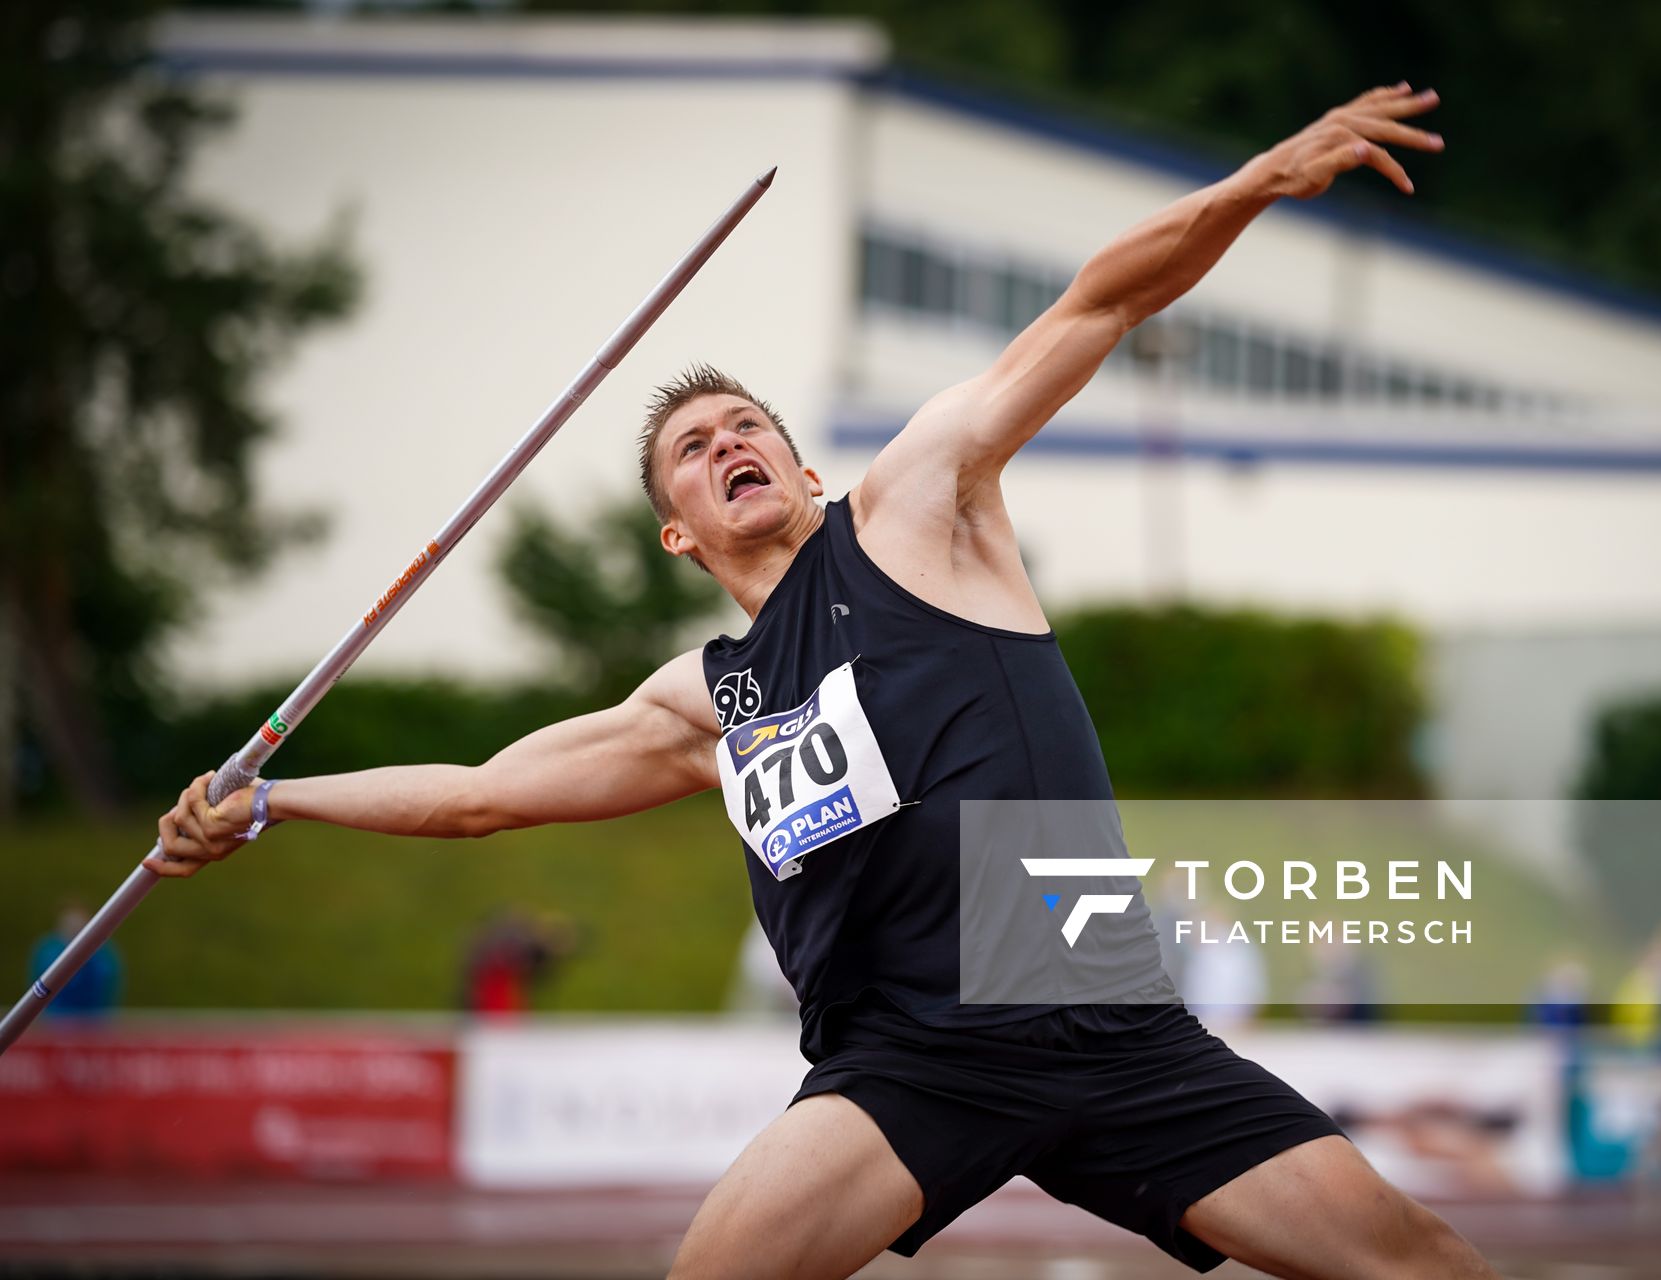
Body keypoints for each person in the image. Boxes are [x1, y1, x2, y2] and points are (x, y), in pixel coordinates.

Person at [155, 84, 1494, 1279]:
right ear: (678, 528)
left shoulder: (918, 511)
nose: (727, 438)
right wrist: (270, 800)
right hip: (912, 1056)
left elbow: (1102, 301)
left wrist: (1259, 179)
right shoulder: (704, 701)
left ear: (802, 472)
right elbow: (481, 794)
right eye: (692, 445)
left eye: (749, 425)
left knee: (1414, 1263)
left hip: (1104, 1014)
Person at [29, 901, 121, 1021]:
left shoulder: (102, 952)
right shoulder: (48, 950)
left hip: (92, 1020)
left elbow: (107, 984)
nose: (75, 929)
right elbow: (38, 985)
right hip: (56, 1020)